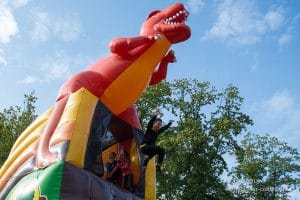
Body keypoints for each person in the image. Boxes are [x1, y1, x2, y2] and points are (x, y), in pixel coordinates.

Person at [140, 108, 174, 173]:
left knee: (162, 150)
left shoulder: (157, 132)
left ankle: (157, 165)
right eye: (158, 124)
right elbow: (150, 121)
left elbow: (164, 128)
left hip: (150, 150)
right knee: (158, 148)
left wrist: (169, 123)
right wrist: (156, 114)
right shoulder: (149, 129)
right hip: (144, 147)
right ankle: (146, 160)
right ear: (154, 123)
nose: (159, 126)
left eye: (160, 125)